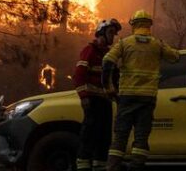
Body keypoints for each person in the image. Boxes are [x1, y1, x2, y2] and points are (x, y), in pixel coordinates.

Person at [101, 10, 180, 171]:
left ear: (134, 25)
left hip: (127, 97)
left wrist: (109, 87)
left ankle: (112, 168)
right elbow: (175, 57)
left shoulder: (125, 43)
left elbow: (107, 61)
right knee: (141, 137)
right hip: (147, 98)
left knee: (120, 137)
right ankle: (136, 167)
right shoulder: (157, 44)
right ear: (149, 25)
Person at [74, 18, 122, 171]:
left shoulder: (108, 54)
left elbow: (114, 78)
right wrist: (84, 97)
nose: (113, 36)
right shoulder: (90, 51)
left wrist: (116, 94)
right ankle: (83, 167)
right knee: (89, 135)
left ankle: (99, 166)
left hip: (105, 101)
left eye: (114, 34)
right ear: (101, 33)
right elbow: (79, 75)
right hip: (92, 101)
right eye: (110, 32)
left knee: (104, 137)